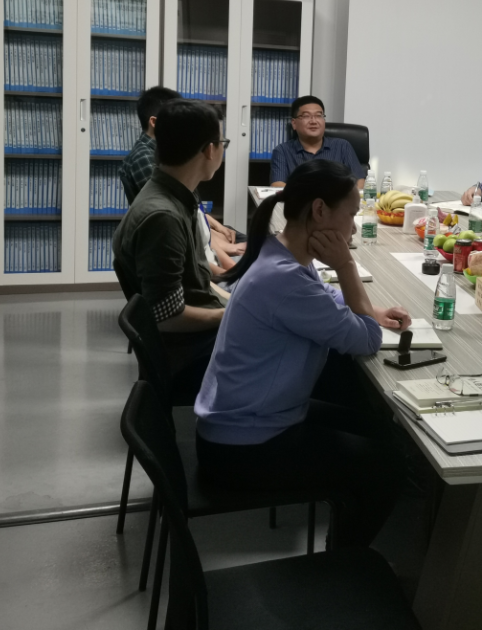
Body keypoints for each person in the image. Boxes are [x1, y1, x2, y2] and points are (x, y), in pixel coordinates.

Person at [194, 159, 410, 546]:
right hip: (243, 448)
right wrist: (345, 265)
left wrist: (373, 310)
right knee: (387, 465)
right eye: (351, 214)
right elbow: (367, 340)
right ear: (320, 210)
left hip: (246, 422)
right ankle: (343, 563)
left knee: (383, 430)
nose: (353, 228)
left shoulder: (281, 252)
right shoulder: (284, 279)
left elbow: (323, 298)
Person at [112, 99, 228, 403]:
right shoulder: (163, 217)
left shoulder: (174, 196)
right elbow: (166, 316)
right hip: (191, 354)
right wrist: (231, 314)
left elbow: (197, 282)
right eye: (223, 143)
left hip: (197, 340)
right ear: (209, 150)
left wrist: (236, 301)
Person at [119, 85, 243, 270]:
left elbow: (195, 217)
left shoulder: (174, 178)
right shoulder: (163, 208)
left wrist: (215, 230)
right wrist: (231, 272)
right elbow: (191, 261)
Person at [270, 95, 365, 189]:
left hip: (337, 198)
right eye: (306, 116)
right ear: (294, 123)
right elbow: (277, 185)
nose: (314, 121)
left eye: (319, 115)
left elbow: (359, 181)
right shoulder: (282, 151)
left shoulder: (342, 146)